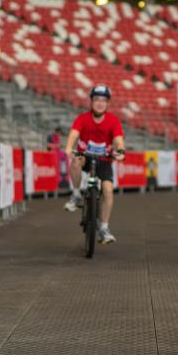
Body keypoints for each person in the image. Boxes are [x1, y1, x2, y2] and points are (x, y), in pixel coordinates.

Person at [63, 84, 126, 244]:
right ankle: (76, 195)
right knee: (76, 159)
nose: (100, 103)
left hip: (104, 160)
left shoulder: (113, 120)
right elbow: (73, 135)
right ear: (91, 102)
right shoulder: (83, 118)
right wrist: (69, 148)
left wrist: (121, 151)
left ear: (107, 103)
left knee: (108, 190)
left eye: (103, 100)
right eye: (96, 99)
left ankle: (104, 227)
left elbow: (119, 140)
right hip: (85, 157)